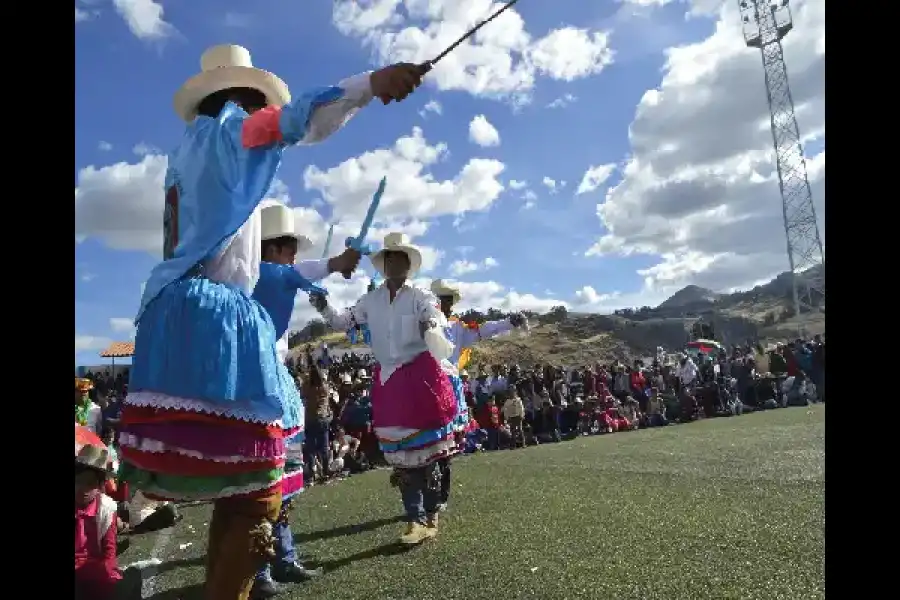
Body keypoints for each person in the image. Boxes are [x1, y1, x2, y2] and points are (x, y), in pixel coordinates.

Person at [116, 43, 423, 600]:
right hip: (213, 317)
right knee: (260, 487)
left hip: (173, 310)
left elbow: (268, 262)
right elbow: (298, 119)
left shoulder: (189, 151)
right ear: (243, 96)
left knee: (240, 482)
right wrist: (370, 84)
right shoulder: (234, 131)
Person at [311, 232, 455, 546]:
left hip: (420, 378)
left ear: (408, 263)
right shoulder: (371, 300)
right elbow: (341, 321)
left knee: (429, 459)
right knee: (401, 458)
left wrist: (432, 326)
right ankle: (413, 519)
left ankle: (431, 516)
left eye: (400, 257)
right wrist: (323, 305)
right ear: (384, 264)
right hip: (389, 382)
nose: (394, 263)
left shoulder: (420, 296)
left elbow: (435, 317)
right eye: (389, 258)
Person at [249, 201, 332, 599]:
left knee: (278, 479)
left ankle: (281, 558)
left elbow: (305, 277)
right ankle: (262, 569)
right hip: (261, 388)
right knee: (265, 479)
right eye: (288, 246)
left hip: (270, 386)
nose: (294, 255)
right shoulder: (267, 273)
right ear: (272, 249)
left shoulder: (261, 278)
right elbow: (307, 273)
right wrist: (340, 262)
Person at [429, 279, 528, 511]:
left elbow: (484, 330)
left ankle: (441, 495)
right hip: (426, 387)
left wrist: (508, 322)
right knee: (426, 444)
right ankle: (424, 493)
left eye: (449, 301)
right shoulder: (424, 323)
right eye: (442, 300)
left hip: (446, 389)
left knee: (445, 443)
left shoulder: (458, 328)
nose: (445, 305)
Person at [75, 445, 141, 600]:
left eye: (90, 483)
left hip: (96, 570)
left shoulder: (107, 508)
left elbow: (109, 553)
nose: (83, 489)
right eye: (78, 482)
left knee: (122, 585)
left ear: (99, 487)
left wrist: (105, 573)